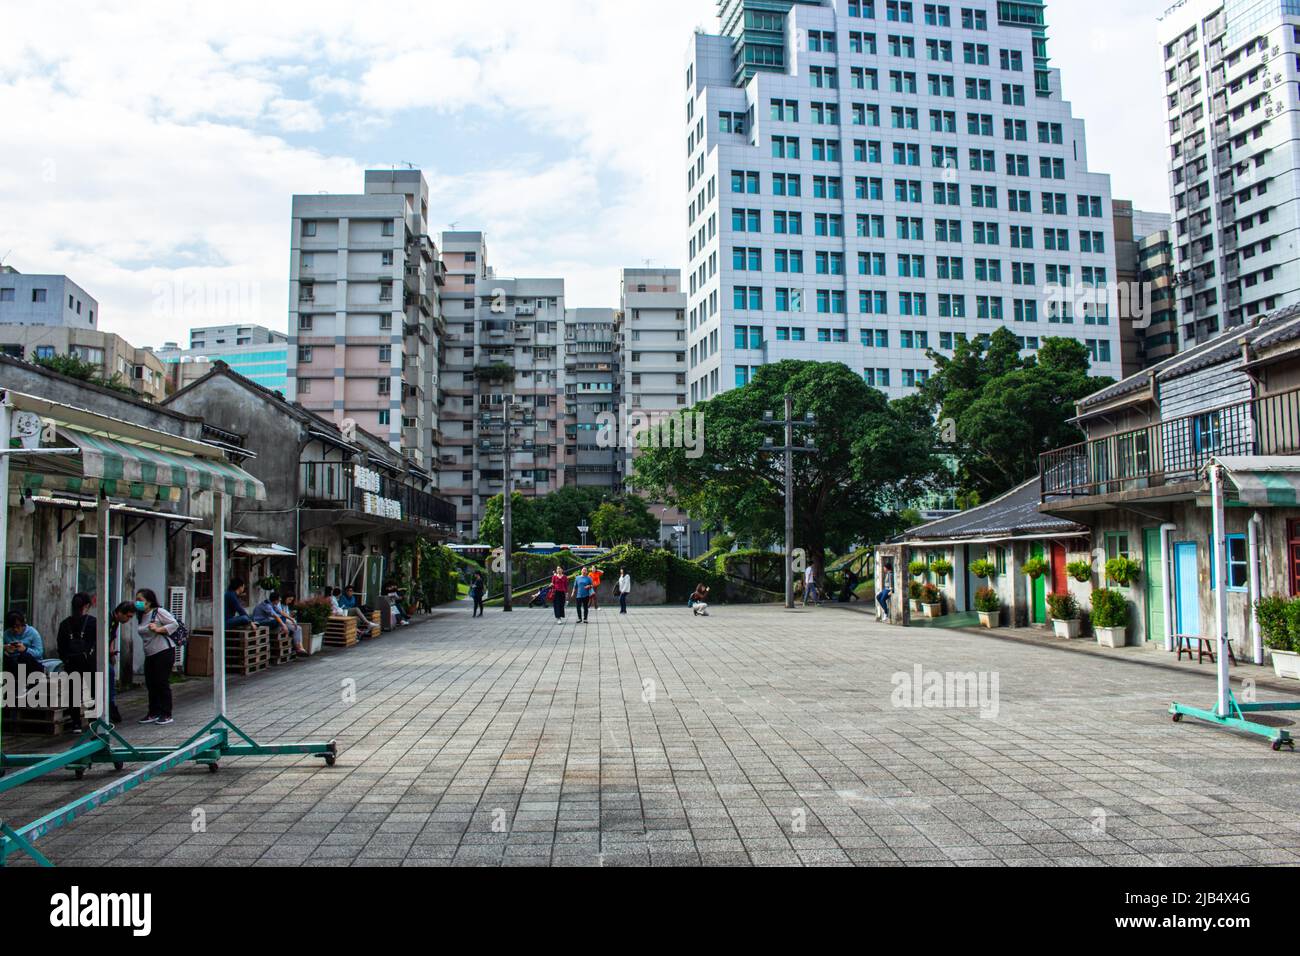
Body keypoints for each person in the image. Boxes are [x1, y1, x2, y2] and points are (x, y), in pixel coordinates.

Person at [135, 589, 179, 726]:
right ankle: (153, 712)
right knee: (151, 683)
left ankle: (166, 713)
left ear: (149, 601)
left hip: (164, 651)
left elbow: (174, 624)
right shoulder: (141, 615)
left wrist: (159, 629)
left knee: (161, 682)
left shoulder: (158, 612)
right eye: (137, 600)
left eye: (141, 600)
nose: (138, 603)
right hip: (150, 653)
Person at [56, 593, 98, 732]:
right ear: (87, 606)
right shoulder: (93, 622)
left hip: (71, 662)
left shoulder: (64, 623)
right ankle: (93, 722)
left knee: (73, 693)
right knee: (91, 692)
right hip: (88, 663)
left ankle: (76, 724)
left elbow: (60, 646)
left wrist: (66, 659)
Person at [106, 602, 134, 724]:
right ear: (119, 613)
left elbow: (112, 637)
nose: (128, 619)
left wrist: (111, 651)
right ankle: (110, 707)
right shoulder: (108, 619)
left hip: (106, 654)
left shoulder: (115, 622)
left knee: (110, 675)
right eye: (128, 616)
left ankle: (110, 706)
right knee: (110, 674)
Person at [3, 610, 45, 678]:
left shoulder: (33, 633)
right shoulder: (6, 634)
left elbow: (39, 653)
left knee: (24, 656)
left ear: (23, 624)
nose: (16, 629)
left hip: (32, 666)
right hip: (14, 665)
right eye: (13, 627)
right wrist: (5, 648)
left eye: (18, 626)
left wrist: (25, 649)